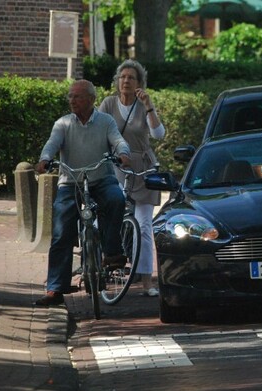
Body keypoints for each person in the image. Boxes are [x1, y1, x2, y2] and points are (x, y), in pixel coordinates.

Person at [35, 80, 131, 306]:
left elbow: (118, 141)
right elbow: (52, 144)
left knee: (116, 200)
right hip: (71, 182)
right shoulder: (63, 124)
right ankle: (55, 288)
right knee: (61, 231)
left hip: (101, 178)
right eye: (70, 97)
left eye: (77, 97)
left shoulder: (105, 122)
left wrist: (123, 154)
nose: (72, 101)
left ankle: (112, 252)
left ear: (91, 99)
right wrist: (45, 160)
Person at [99, 60, 166, 297]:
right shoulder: (107, 104)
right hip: (116, 166)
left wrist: (149, 106)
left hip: (143, 168)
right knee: (107, 218)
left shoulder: (143, 104)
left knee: (145, 226)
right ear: (117, 81)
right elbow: (96, 132)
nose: (126, 81)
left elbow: (159, 134)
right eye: (123, 77)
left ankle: (147, 281)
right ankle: (102, 268)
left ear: (140, 83)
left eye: (131, 78)